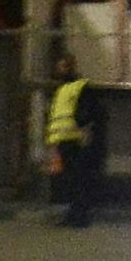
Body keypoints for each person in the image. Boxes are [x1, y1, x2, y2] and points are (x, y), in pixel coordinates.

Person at [47, 49, 107, 229]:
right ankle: (74, 214)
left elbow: (88, 112)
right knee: (71, 181)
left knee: (78, 180)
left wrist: (85, 130)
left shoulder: (79, 86)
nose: (60, 70)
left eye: (63, 66)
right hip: (64, 139)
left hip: (76, 140)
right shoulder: (62, 88)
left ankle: (79, 216)